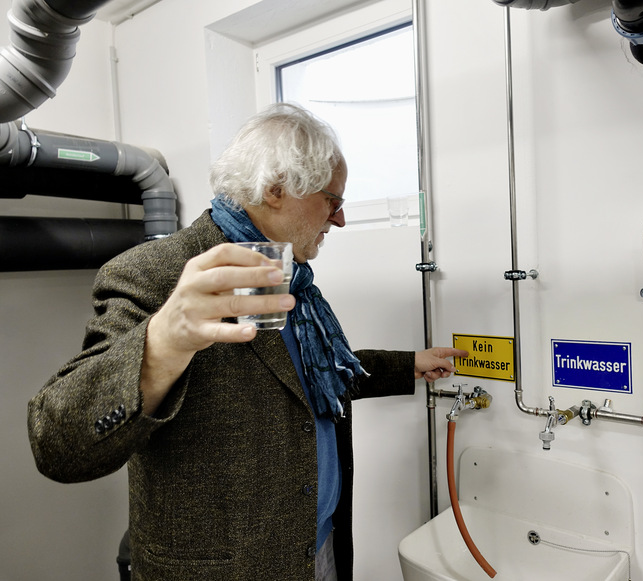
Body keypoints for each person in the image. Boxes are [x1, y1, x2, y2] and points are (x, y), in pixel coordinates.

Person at [27, 102, 466, 581]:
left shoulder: (291, 279)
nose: (338, 219)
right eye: (332, 201)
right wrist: (162, 343)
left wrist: (408, 365)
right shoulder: (153, 274)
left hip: (318, 549)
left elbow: (307, 381)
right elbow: (56, 444)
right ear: (278, 190)